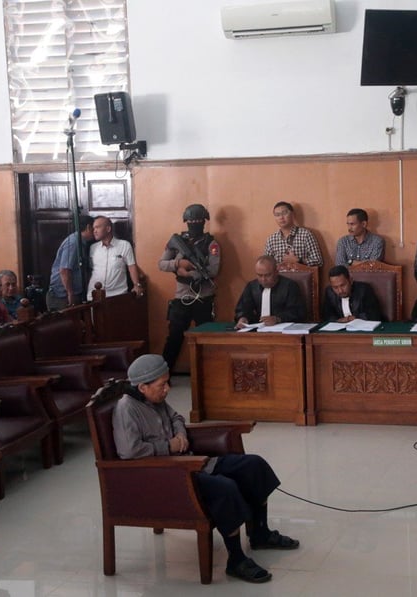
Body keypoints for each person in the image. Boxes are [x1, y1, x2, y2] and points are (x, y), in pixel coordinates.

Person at [113, 354, 299, 584]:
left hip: (194, 462)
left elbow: (176, 417)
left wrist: (180, 433)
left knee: (254, 466)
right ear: (142, 387)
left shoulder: (155, 398)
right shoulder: (126, 409)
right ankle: (236, 560)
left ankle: (260, 533)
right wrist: (166, 446)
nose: (168, 389)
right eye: (163, 385)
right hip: (169, 476)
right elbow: (129, 451)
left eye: (168, 382)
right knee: (225, 488)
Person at [158, 204, 221, 370]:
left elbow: (213, 269)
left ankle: (211, 374)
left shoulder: (211, 243)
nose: (194, 223)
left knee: (207, 339)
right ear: (186, 221)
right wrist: (179, 263)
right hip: (181, 298)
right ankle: (163, 375)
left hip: (204, 298)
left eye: (198, 220)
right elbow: (162, 264)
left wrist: (190, 274)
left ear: (204, 221)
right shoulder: (177, 241)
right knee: (174, 338)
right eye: (191, 220)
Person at [234, 255, 306, 328]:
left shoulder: (290, 286)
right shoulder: (251, 286)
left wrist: (277, 319)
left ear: (276, 272)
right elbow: (243, 309)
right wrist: (243, 318)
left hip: (284, 331)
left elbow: (297, 312)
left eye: (267, 275)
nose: (263, 279)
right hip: (257, 330)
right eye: (260, 275)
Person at [87, 216, 143, 299]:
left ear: (108, 229)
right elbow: (90, 269)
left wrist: (136, 284)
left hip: (117, 295)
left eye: (97, 227)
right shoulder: (93, 248)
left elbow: (131, 266)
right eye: (93, 228)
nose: (94, 231)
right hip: (94, 295)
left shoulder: (124, 245)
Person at [46, 215, 95, 310]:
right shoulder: (74, 243)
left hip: (69, 293)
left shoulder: (82, 242)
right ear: (89, 227)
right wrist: (70, 293)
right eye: (95, 228)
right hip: (62, 296)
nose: (96, 231)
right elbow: (64, 270)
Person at [263, 202, 323, 267]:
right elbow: (266, 265)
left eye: (284, 213)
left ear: (292, 214)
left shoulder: (305, 234)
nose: (281, 217)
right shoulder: (272, 239)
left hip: (301, 276)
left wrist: (299, 261)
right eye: (277, 215)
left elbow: (318, 261)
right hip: (279, 276)